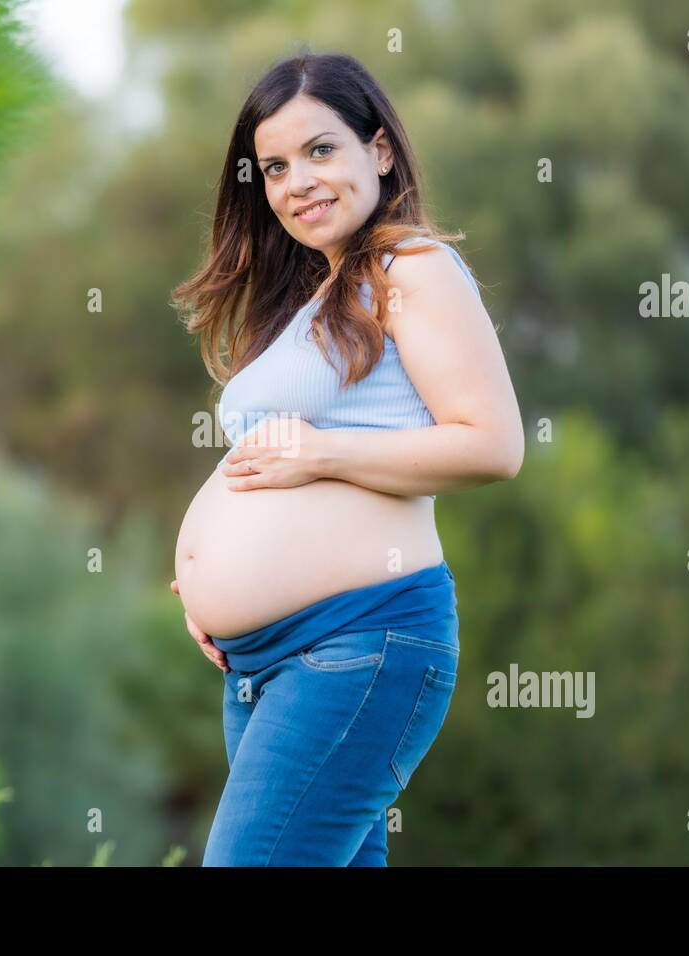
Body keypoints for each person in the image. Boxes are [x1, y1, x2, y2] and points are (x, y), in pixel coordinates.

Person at [169, 50, 524, 866]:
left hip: (358, 641)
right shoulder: (314, 301)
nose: (299, 182)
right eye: (276, 167)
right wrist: (210, 585)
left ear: (381, 151)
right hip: (260, 661)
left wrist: (325, 455)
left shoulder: (412, 269)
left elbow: (492, 444)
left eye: (322, 150)